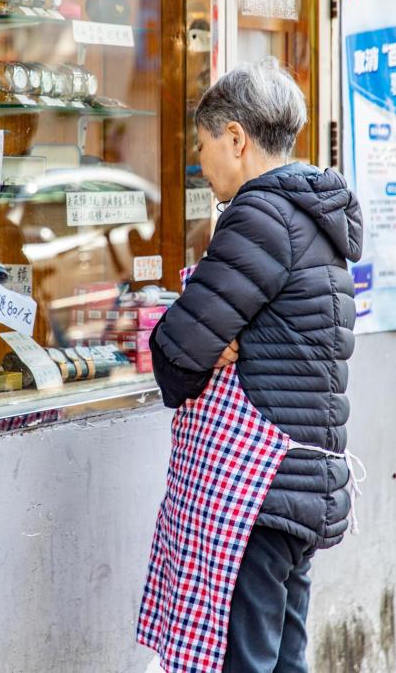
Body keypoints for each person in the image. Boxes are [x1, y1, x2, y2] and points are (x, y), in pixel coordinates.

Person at [137, 59, 363, 673]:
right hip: (303, 485)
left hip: (258, 493)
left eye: (203, 143)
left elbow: (180, 354)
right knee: (283, 658)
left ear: (236, 138)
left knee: (245, 661)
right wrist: (227, 337)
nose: (200, 160)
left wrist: (203, 341)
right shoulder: (315, 218)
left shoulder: (260, 215)